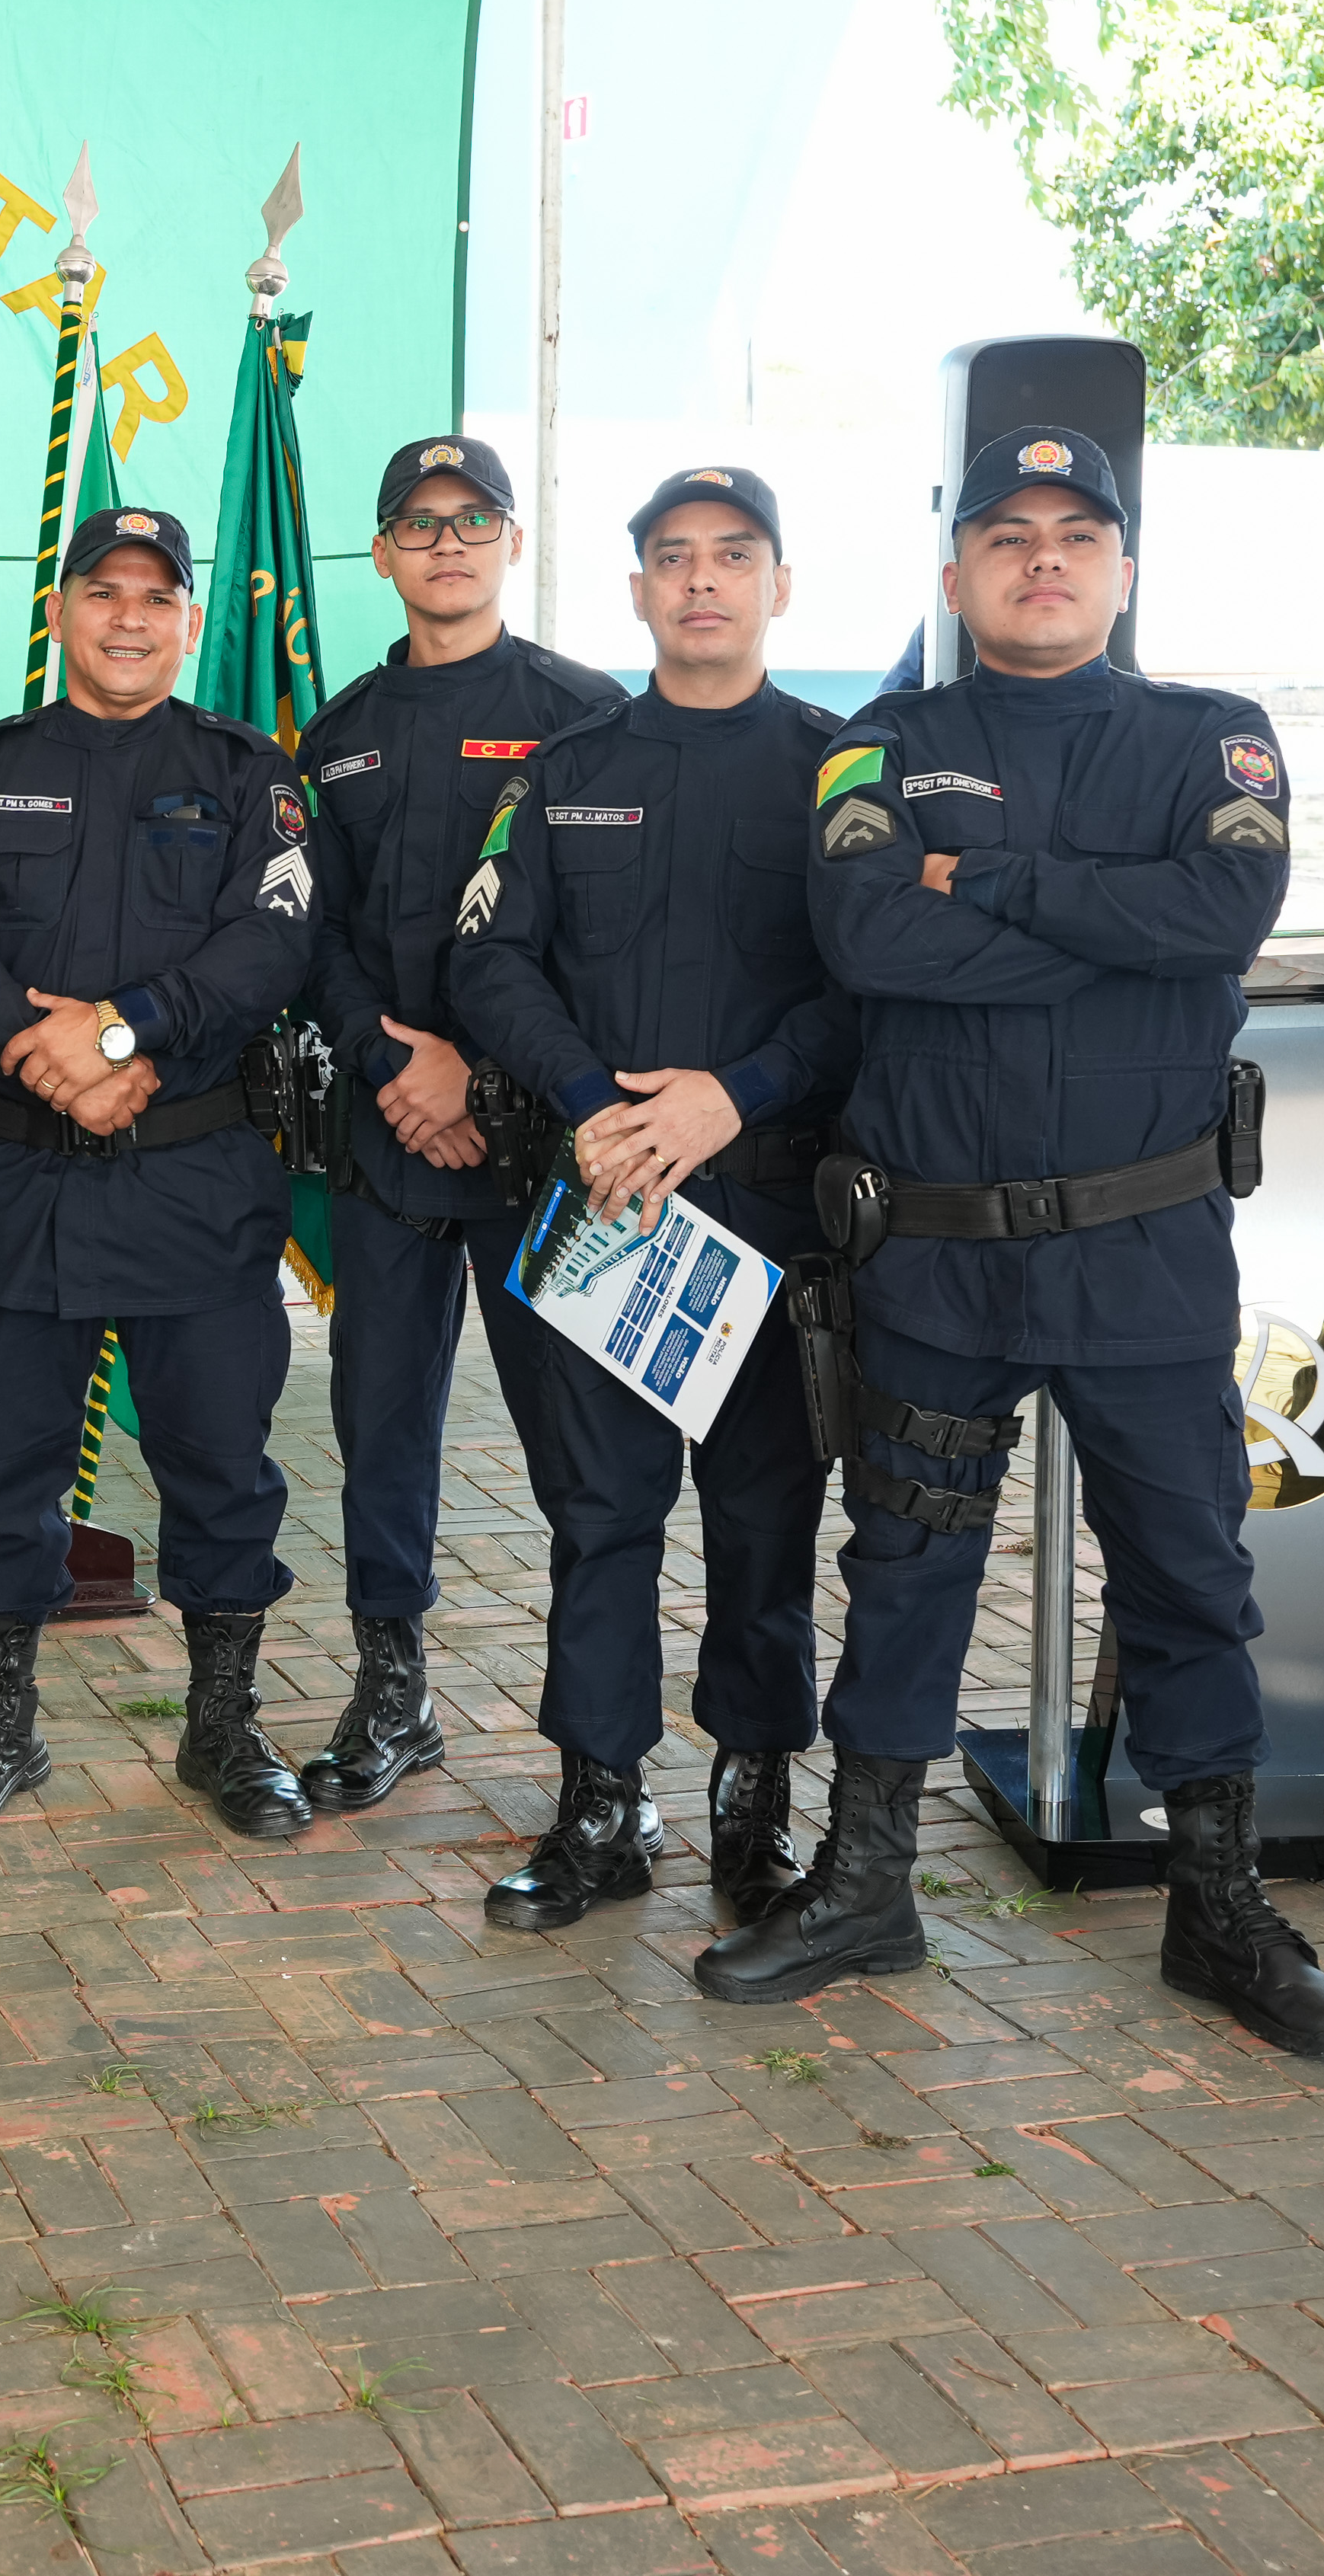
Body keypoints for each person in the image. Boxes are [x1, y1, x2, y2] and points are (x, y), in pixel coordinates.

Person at [699, 427, 1324, 2061]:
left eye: (1077, 532)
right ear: (955, 571)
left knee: (1190, 1579)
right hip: (931, 1257)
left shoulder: (1214, 738)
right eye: (1007, 534)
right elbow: (870, 937)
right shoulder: (879, 741)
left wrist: (977, 880)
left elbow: (1213, 923)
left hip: (1142, 1258)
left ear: (1123, 566)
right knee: (904, 1568)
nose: (1043, 557)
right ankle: (867, 1882)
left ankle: (1215, 1906)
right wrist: (1093, 921)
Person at [444, 468, 855, 1930]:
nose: (701, 582)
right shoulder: (563, 772)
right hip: (611, 1207)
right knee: (599, 1515)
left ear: (778, 585)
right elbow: (491, 962)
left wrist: (727, 1096)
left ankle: (754, 1802)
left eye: (732, 556)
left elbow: (865, 984)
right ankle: (598, 1805)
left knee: (764, 1522)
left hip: (772, 1216)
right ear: (635, 591)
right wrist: (591, 1105)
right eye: (671, 559)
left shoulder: (838, 769)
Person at [0, 508, 317, 1835]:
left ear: (188, 619)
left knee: (219, 1466)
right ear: (64, 612)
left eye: (155, 596)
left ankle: (223, 1727)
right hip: (24, 1182)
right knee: (5, 1464)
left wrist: (121, 1028)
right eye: (103, 592)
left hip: (196, 1183)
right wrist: (44, 1054)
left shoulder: (253, 778)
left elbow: (274, 945)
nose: (129, 616)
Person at [290, 435, 623, 1812]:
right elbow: (308, 932)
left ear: (510, 543)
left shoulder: (587, 716)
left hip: (545, 1147)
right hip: (388, 1137)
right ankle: (394, 1688)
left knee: (581, 1450)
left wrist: (480, 1079)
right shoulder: (341, 732)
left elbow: (602, 942)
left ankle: (597, 1742)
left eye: (470, 518)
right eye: (417, 522)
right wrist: (394, 1066)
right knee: (381, 1421)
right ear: (380, 553)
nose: (445, 542)